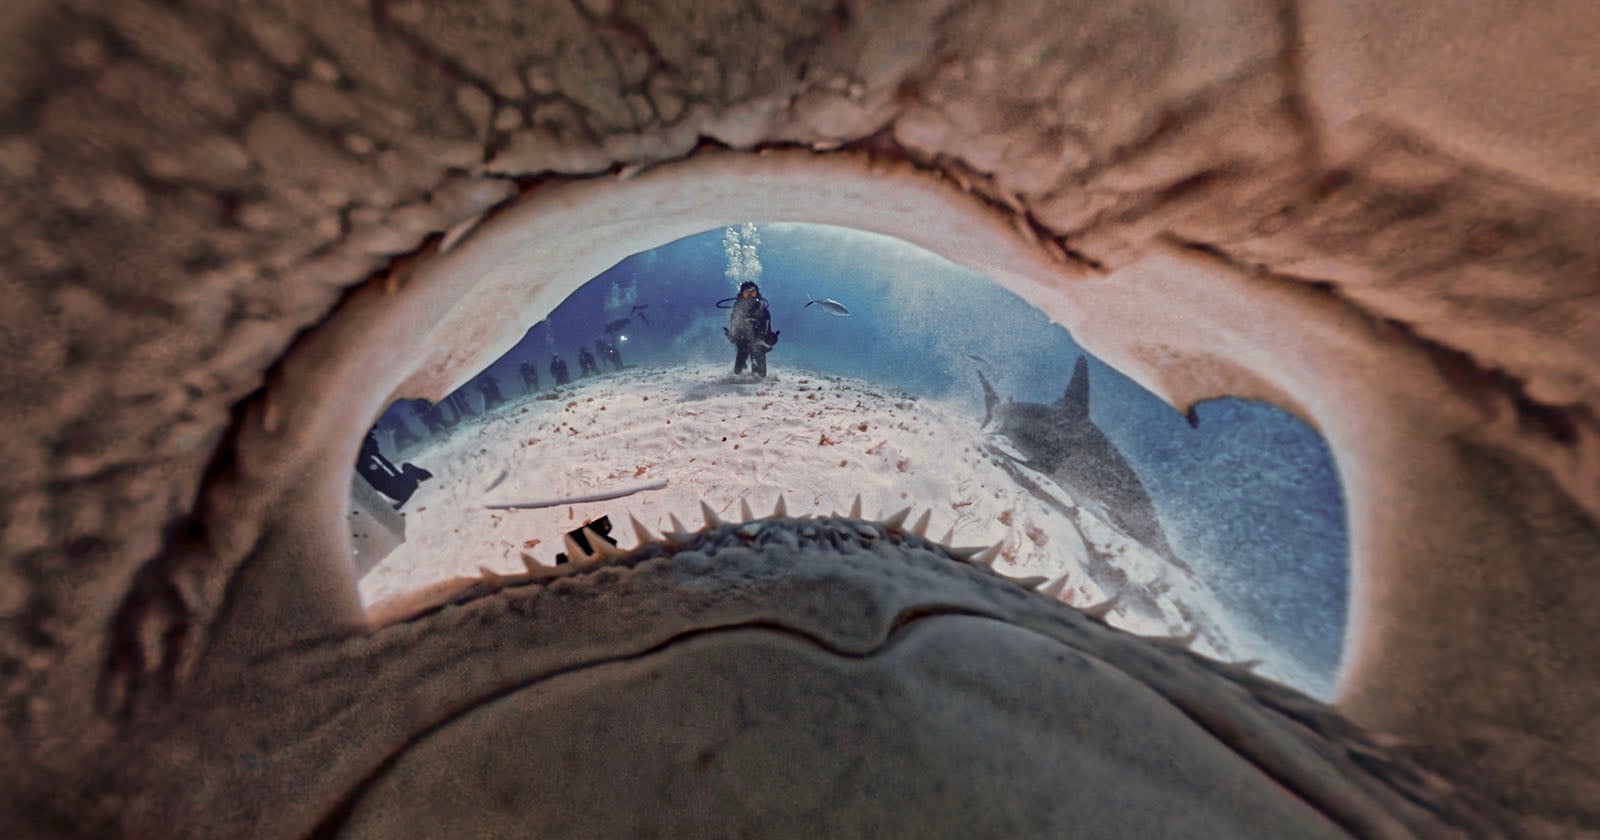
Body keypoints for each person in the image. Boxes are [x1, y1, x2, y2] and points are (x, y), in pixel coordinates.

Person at [356, 426, 433, 508]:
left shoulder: (371, 457)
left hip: (368, 455)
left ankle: (410, 470)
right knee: (398, 476)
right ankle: (407, 471)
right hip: (364, 459)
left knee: (401, 485)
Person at [724, 280, 779, 377]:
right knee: (737, 372)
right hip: (743, 344)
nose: (749, 297)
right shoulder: (737, 311)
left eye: (752, 293)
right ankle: (743, 364)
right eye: (746, 294)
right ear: (741, 295)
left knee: (760, 376)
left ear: (757, 294)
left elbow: (768, 333)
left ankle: (755, 365)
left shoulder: (763, 311)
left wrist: (772, 339)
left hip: (758, 345)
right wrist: (731, 337)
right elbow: (734, 334)